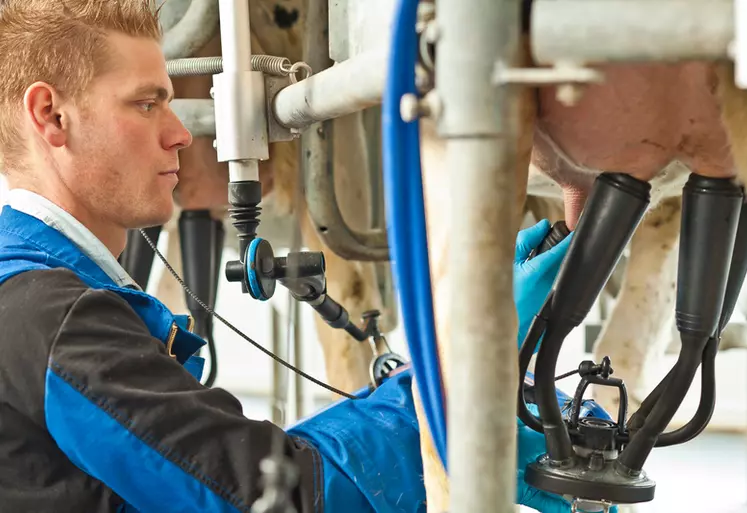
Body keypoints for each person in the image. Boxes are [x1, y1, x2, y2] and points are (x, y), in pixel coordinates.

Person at [0, 1, 584, 512]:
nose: (181, 133)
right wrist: (453, 369)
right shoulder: (57, 322)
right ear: (51, 116)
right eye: (147, 104)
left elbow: (239, 477)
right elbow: (277, 501)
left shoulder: (31, 297)